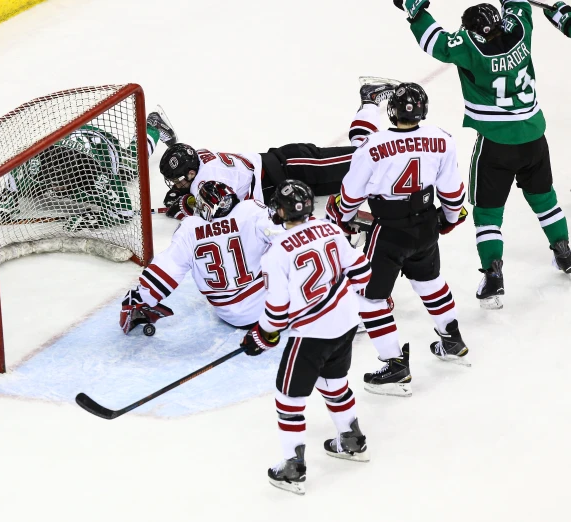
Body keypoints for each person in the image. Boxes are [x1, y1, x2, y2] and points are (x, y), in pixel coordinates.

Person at [396, 0, 571, 310]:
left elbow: (435, 42)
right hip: (533, 136)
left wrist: (416, 9)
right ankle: (564, 252)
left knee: (488, 213)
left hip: (496, 143)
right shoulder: (518, 27)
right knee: (545, 198)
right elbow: (518, 5)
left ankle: (493, 275)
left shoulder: (468, 46)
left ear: (473, 32)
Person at [327, 82, 470, 398]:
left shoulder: (372, 146)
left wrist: (344, 217)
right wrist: (445, 221)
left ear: (389, 111)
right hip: (425, 224)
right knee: (429, 280)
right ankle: (452, 339)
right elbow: (452, 193)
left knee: (369, 297)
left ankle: (394, 364)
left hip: (389, 231)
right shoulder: (442, 139)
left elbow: (350, 195)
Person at [240, 180, 372, 496]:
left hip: (311, 335)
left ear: (283, 211)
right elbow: (363, 271)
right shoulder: (331, 230)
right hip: (347, 324)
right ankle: (352, 440)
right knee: (334, 383)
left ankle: (292, 468)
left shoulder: (277, 253)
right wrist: (335, 291)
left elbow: (277, 311)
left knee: (289, 398)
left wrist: (260, 336)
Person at [120, 180, 273, 334]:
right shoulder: (251, 210)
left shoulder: (190, 228)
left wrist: (140, 297)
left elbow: (168, 268)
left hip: (227, 314)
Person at [0, 110, 177, 232]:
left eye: (61, 183)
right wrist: (6, 200)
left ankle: (153, 126)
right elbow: (15, 171)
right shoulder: (37, 164)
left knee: (129, 167)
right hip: (65, 142)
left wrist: (93, 219)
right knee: (32, 189)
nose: (56, 188)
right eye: (53, 181)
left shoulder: (94, 177)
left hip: (100, 144)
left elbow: (124, 212)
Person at [158, 129, 359, 220]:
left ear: (191, 173)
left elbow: (221, 217)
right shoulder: (199, 156)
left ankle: (372, 107)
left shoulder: (202, 182)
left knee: (363, 159)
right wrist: (190, 198)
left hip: (292, 166)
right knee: (357, 182)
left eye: (177, 181)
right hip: (284, 182)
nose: (176, 185)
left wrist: (187, 210)